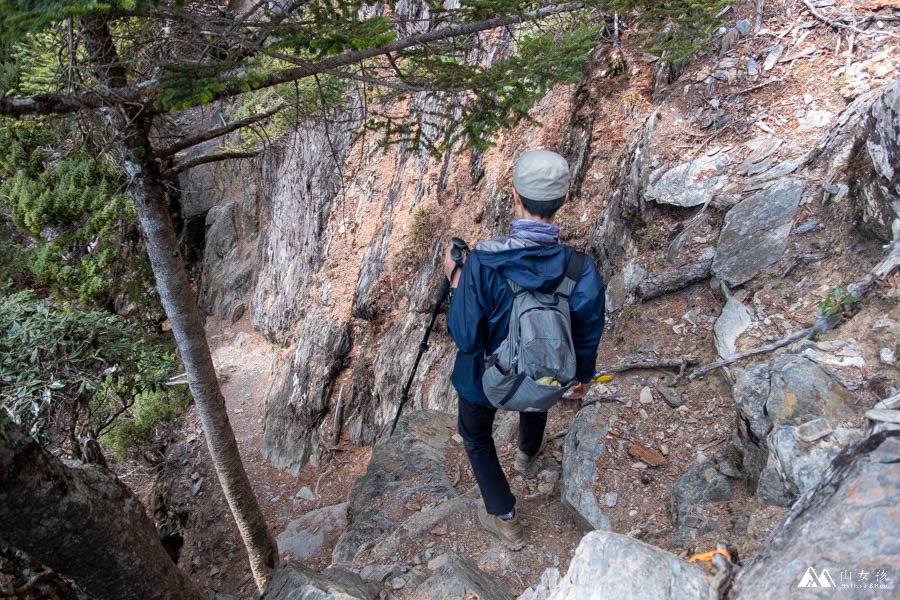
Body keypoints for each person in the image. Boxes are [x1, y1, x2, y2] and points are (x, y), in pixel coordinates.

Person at [443, 149, 606, 549]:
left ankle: (506, 517)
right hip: (546, 376)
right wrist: (583, 376)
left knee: (476, 435)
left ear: (514, 196)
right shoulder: (581, 270)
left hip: (486, 379)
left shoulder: (482, 263)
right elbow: (585, 335)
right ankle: (527, 455)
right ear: (564, 200)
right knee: (541, 385)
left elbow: (465, 338)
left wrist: (455, 284)